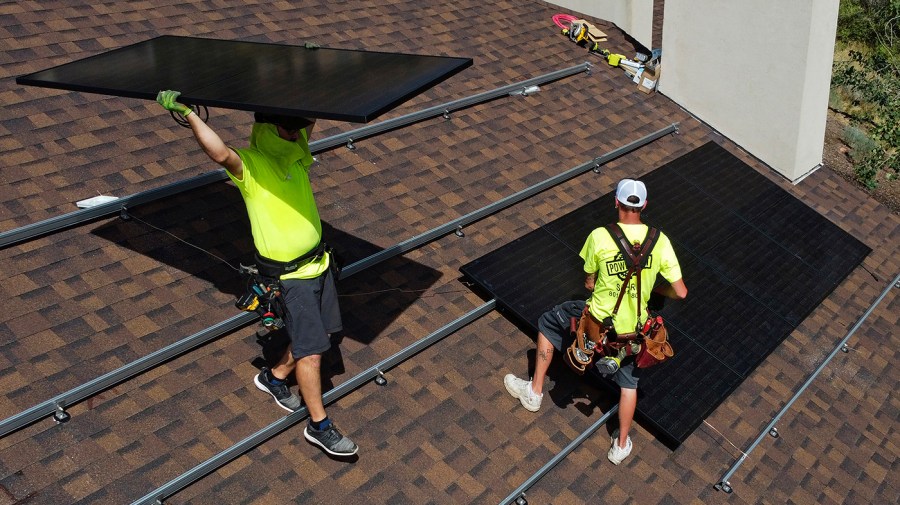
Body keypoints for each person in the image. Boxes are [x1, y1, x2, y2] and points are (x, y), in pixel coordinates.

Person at [156, 90, 357, 457]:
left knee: (324, 333)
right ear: (265, 129)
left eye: (298, 129)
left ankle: (274, 376)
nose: (297, 134)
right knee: (313, 353)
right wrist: (190, 115)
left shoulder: (296, 155)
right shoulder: (251, 167)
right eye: (287, 128)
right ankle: (319, 426)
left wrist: (315, 77)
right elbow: (219, 153)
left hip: (321, 265)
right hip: (291, 280)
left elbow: (308, 118)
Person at [503, 178, 687, 465]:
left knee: (548, 322)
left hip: (596, 320)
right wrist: (653, 291)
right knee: (629, 385)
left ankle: (534, 392)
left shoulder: (600, 236)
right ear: (645, 206)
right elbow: (681, 291)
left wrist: (598, 283)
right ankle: (621, 445)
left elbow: (589, 282)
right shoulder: (660, 242)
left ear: (617, 202)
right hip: (632, 331)